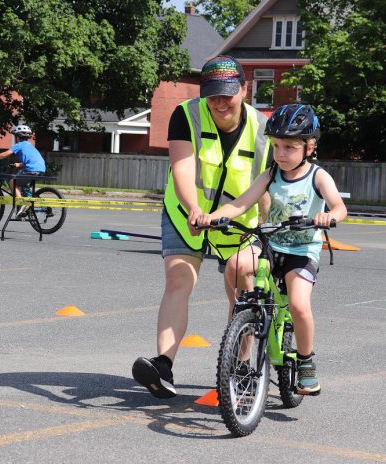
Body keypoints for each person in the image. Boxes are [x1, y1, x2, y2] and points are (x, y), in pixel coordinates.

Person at [132, 55, 272, 399]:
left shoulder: (264, 127)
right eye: (213, 95)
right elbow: (181, 168)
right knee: (179, 278)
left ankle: (239, 365)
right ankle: (163, 366)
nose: (220, 103)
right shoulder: (186, 115)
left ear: (244, 88)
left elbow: (267, 185)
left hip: (239, 221)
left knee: (242, 282)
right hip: (186, 214)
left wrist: (264, 225)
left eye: (228, 93)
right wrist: (194, 209)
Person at [196, 104, 348, 395]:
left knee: (299, 305)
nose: (280, 153)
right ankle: (244, 321)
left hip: (302, 251)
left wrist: (328, 216)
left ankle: (305, 362)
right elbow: (241, 202)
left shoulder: (317, 176)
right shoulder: (270, 175)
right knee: (234, 265)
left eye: (289, 147)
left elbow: (340, 207)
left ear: (309, 147)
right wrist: (212, 217)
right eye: (276, 146)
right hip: (270, 243)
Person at [0, 125, 46, 217]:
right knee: (22, 183)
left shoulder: (19, 145)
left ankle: (22, 204)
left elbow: (5, 154)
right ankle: (28, 203)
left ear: (17, 137)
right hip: (41, 169)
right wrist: (19, 165)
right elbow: (33, 160)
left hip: (31, 170)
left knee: (13, 182)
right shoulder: (30, 146)